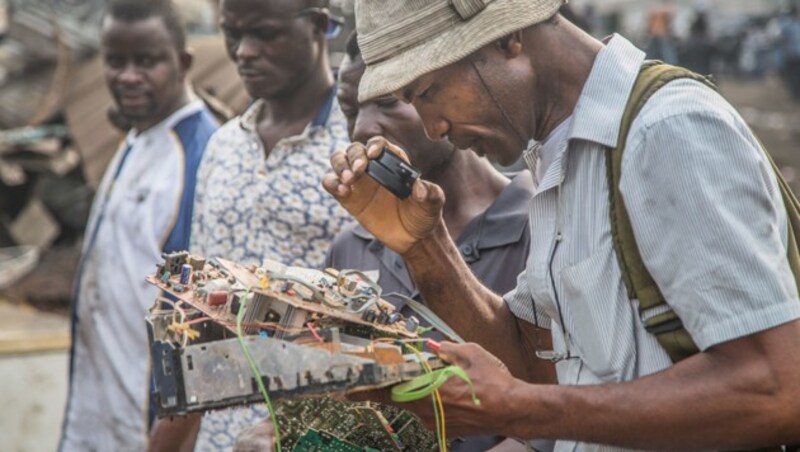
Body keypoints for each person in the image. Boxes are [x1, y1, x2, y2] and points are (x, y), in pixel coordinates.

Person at [322, 0, 800, 450]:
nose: (433, 128)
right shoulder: (562, 154)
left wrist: (517, 411)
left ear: (509, 38)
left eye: (426, 92)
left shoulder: (666, 130)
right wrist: (425, 247)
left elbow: (776, 388)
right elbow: (535, 365)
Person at [232, 31, 545, 452]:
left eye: (389, 101)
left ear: (444, 93)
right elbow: (329, 399)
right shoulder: (352, 247)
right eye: (348, 110)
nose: (362, 128)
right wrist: (278, 434)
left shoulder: (538, 227)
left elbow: (558, 415)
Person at [148, 0, 353, 450]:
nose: (243, 51)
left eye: (264, 34)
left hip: (317, 434)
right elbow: (195, 307)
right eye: (233, 34)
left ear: (319, 25)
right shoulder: (222, 148)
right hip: (219, 434)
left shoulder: (355, 147)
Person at [59, 1, 219, 450]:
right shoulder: (136, 138)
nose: (128, 76)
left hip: (145, 423)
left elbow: (192, 315)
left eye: (146, 61)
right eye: (116, 61)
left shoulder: (199, 155)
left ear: (183, 62)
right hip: (95, 410)